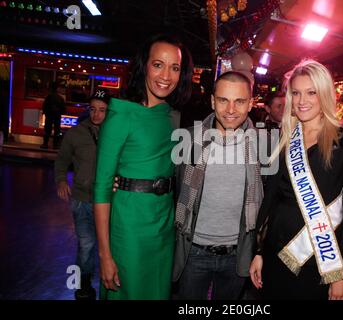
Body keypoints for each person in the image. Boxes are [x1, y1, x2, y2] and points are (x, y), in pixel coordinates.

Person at [249, 59, 343, 300]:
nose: (302, 101)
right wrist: (258, 250)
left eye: (311, 92)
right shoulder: (286, 137)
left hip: (319, 262)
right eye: (297, 93)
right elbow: (271, 198)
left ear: (324, 94)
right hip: (274, 252)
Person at [93, 34, 193, 300]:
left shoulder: (170, 115)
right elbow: (102, 188)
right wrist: (104, 254)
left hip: (163, 223)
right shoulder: (121, 114)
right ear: (144, 66)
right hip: (129, 225)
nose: (166, 75)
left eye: (175, 68)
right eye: (158, 64)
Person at [172, 71, 264, 300]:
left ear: (251, 103)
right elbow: (168, 182)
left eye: (239, 101)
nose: (230, 109)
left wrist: (260, 252)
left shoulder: (264, 146)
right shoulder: (189, 140)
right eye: (223, 100)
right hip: (193, 251)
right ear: (213, 101)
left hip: (238, 254)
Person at [54, 89, 111, 300]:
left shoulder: (115, 133)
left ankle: (110, 284)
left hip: (108, 202)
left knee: (110, 246)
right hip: (82, 200)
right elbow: (61, 160)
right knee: (86, 244)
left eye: (102, 110)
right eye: (93, 109)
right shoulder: (75, 134)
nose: (96, 115)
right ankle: (84, 285)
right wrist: (61, 180)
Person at [41, 82, 65, 149]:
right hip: (57, 116)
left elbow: (45, 106)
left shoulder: (49, 97)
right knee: (57, 130)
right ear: (57, 89)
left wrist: (44, 112)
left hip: (49, 115)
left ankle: (45, 144)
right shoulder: (60, 98)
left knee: (47, 130)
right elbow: (63, 109)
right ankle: (55, 145)